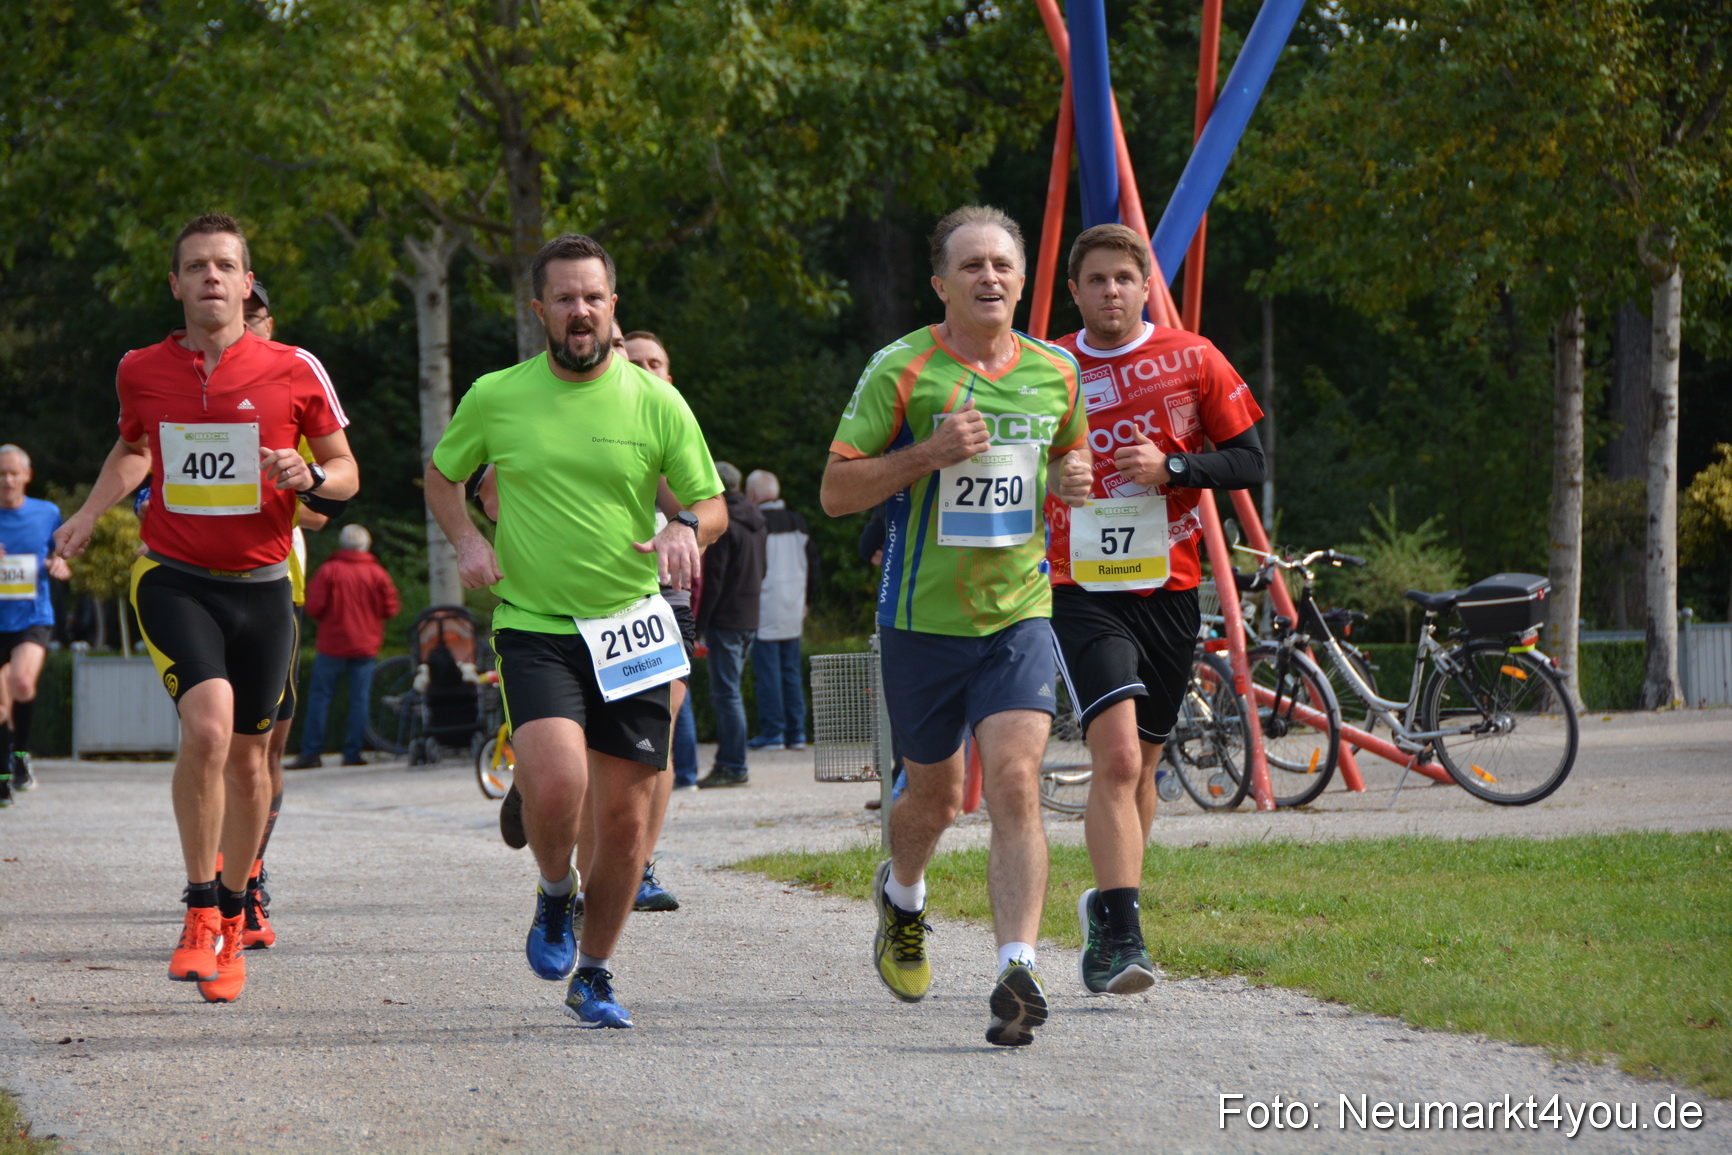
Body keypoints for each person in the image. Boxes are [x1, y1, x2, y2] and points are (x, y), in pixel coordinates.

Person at [53, 212, 357, 1004]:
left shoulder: (294, 368)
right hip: (175, 576)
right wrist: (88, 515)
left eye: (225, 265)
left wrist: (309, 476)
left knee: (254, 758)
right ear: (176, 284)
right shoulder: (141, 369)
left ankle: (232, 911)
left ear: (247, 281)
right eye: (197, 266)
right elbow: (134, 446)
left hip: (263, 587)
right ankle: (198, 907)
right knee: (210, 725)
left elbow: (347, 469)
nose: (212, 278)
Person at [424, 232, 725, 1029]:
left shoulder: (656, 400)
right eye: (564, 298)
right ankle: (555, 890)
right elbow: (442, 472)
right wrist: (466, 538)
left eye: (593, 296)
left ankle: (595, 972)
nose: (580, 311)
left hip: (633, 626)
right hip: (537, 622)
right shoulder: (497, 394)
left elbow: (708, 498)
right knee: (556, 784)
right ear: (540, 311)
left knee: (626, 821)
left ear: (612, 305)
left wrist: (685, 528)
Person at [820, 205, 1091, 1047]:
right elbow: (836, 490)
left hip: (1018, 613)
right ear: (941, 283)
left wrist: (1071, 475)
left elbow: (1064, 454)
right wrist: (926, 455)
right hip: (921, 622)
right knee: (934, 799)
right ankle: (902, 896)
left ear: (1021, 278)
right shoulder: (901, 370)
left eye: (1003, 264)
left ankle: (1018, 967)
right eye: (971, 265)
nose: (990, 277)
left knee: (1013, 782)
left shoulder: (1056, 371)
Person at [1046, 223, 1265, 995]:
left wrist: (1174, 465)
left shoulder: (1192, 357)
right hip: (1078, 588)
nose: (1111, 291)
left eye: (1123, 279)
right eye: (1096, 279)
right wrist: (1055, 478)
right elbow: (1006, 459)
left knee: (1145, 762)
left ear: (1145, 287)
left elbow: (1250, 460)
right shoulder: (1047, 366)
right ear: (1075, 291)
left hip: (1169, 588)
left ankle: (1107, 906)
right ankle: (1123, 939)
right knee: (1116, 757)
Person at [239, 280, 334, 951]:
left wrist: (287, 482)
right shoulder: (189, 386)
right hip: (198, 579)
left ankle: (251, 866)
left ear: (270, 319)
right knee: (218, 739)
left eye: (255, 314)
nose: (244, 325)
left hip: (279, 588)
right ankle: (221, 879)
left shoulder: (296, 377)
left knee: (268, 746)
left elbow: (326, 506)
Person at [291, 524, 399, 768]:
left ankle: (311, 753)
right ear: (366, 546)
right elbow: (390, 608)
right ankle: (352, 753)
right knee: (359, 700)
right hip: (365, 645)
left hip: (332, 643)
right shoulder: (377, 573)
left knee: (320, 698)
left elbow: (314, 607)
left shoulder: (329, 570)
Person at [0, 444, 71, 805]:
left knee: (23, 684)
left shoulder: (47, 513)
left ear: (27, 476)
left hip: (32, 617)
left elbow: (59, 553)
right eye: (1, 474)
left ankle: (20, 754)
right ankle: (3, 771)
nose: (8, 480)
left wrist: (60, 565)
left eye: (14, 473)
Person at [693, 461, 766, 788]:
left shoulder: (724, 524)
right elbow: (762, 568)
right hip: (749, 614)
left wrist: (698, 625)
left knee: (726, 695)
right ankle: (731, 761)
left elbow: (714, 580)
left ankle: (733, 766)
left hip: (725, 618)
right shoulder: (757, 519)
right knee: (731, 692)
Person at [745, 469, 818, 752]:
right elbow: (814, 565)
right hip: (793, 607)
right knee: (791, 672)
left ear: (752, 496)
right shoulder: (798, 523)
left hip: (763, 608)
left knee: (768, 675)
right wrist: (807, 600)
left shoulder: (756, 522)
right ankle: (797, 732)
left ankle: (773, 732)